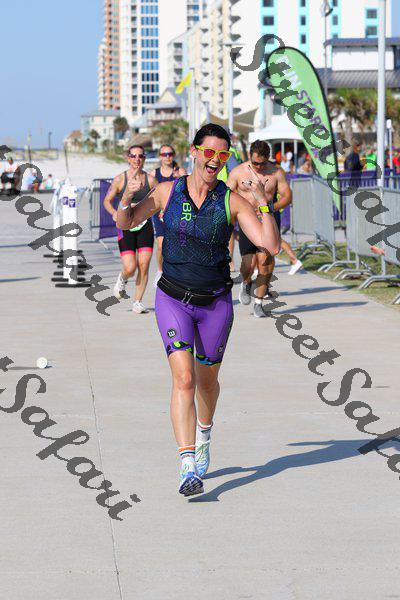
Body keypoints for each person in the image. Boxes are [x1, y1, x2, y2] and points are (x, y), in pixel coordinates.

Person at [116, 123, 280, 496]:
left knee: (207, 382)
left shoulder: (231, 200)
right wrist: (127, 196)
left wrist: (261, 201)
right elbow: (127, 222)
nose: (215, 160)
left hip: (215, 303)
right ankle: (187, 463)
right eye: (209, 152)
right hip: (172, 298)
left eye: (222, 154)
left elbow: (269, 244)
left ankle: (204, 433)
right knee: (184, 380)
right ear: (194, 152)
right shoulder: (167, 192)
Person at [227, 140, 302, 317]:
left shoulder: (276, 172)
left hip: (268, 220)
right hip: (247, 221)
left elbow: (287, 196)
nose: (259, 167)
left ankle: (259, 303)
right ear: (249, 157)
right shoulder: (238, 172)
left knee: (265, 262)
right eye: (255, 163)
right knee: (248, 263)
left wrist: (269, 208)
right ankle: (246, 282)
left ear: (268, 158)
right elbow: (226, 196)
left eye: (262, 163)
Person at [103, 144, 157, 313]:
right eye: (133, 156)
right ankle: (123, 278)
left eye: (140, 156)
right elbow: (107, 201)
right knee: (130, 267)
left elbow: (160, 199)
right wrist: (114, 213)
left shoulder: (150, 180)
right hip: (125, 226)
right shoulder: (120, 179)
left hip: (144, 225)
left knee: (144, 264)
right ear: (128, 158)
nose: (137, 159)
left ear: (144, 159)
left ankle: (137, 301)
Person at [149, 145, 187, 287]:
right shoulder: (154, 173)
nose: (167, 157)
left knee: (177, 245)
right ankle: (160, 271)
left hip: (176, 213)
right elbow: (150, 195)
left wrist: (181, 180)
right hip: (159, 214)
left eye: (170, 154)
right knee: (161, 245)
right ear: (160, 156)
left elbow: (188, 193)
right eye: (164, 154)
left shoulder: (180, 171)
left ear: (173, 155)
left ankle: (175, 273)